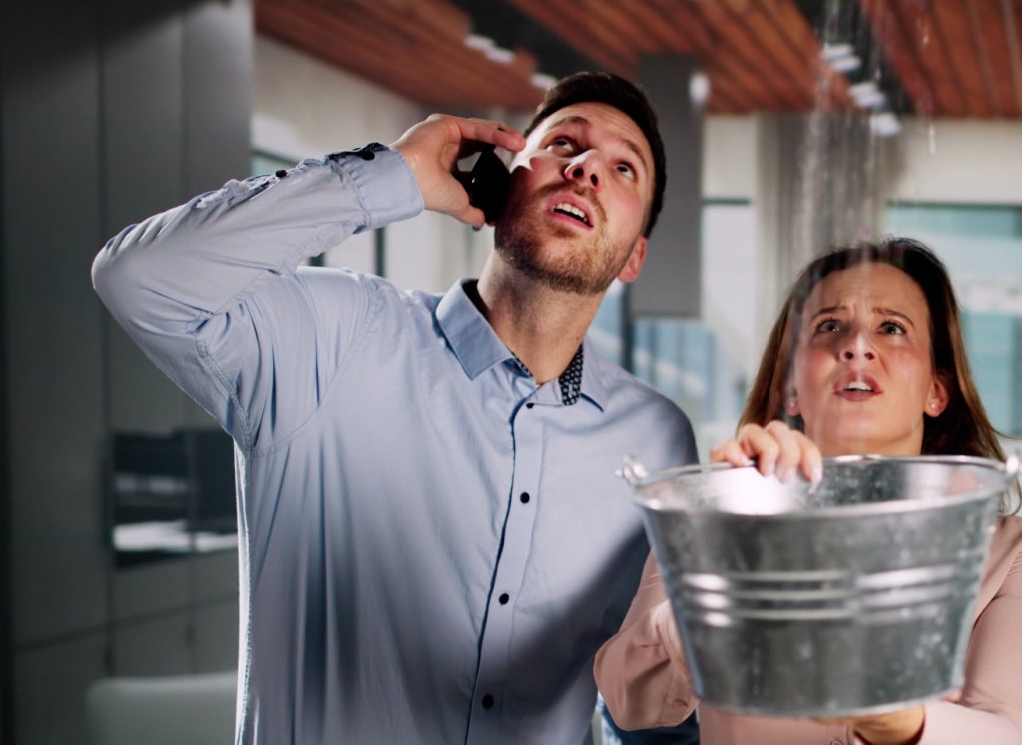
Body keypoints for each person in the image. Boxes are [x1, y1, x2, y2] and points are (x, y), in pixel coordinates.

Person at [93, 72, 698, 743]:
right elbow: (140, 281)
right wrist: (392, 178)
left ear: (635, 255)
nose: (585, 168)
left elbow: (643, 706)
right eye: (562, 144)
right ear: (500, 183)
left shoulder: (658, 440)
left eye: (623, 169)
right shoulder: (334, 338)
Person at [595, 237, 1022, 745]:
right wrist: (728, 564)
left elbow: (1010, 734)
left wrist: (901, 720)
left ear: (937, 390)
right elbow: (630, 704)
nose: (857, 346)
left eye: (892, 328)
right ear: (793, 386)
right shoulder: (719, 517)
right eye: (830, 327)